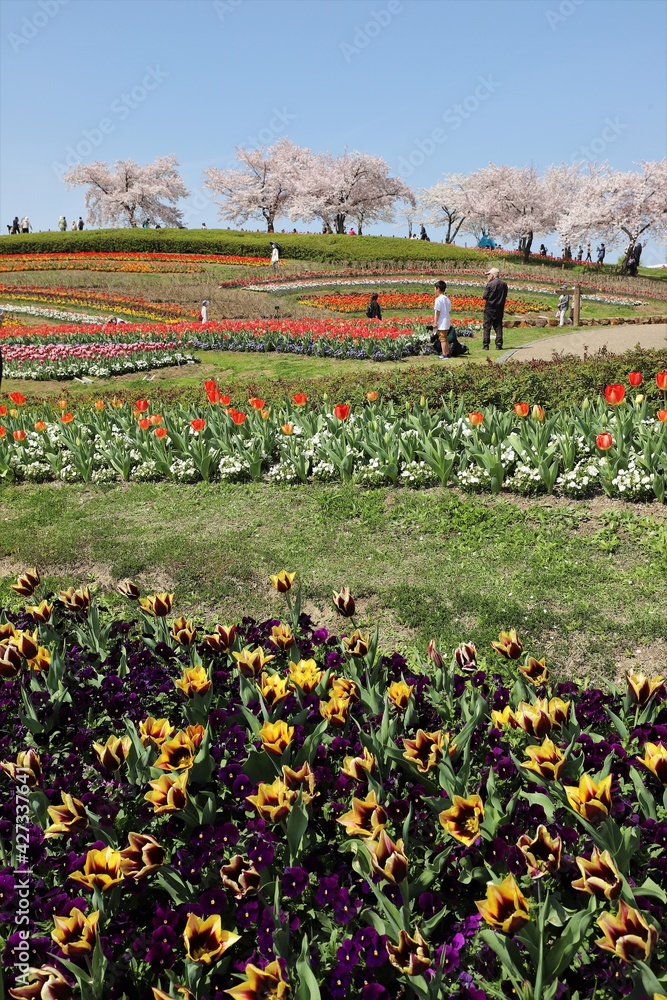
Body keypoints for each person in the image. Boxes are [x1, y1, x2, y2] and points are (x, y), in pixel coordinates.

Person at [482, 266, 509, 350]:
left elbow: (485, 296)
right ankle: (499, 344)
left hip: (490, 308)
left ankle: (486, 345)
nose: (488, 276)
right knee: (498, 326)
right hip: (499, 308)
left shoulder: (490, 284)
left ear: (493, 275)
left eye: (489, 275)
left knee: (487, 326)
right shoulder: (504, 284)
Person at [433, 280, 452, 359]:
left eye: (435, 288)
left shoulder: (438, 299)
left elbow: (437, 312)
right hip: (446, 320)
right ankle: (447, 353)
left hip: (441, 321)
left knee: (442, 338)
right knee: (445, 337)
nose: (434, 290)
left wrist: (435, 322)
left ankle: (444, 354)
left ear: (438, 289)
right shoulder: (447, 299)